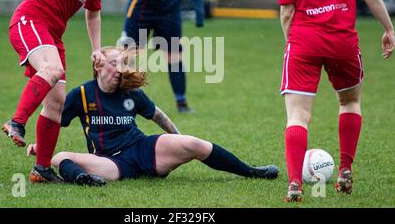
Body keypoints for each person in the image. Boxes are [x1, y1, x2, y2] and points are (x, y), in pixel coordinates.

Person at [26, 46, 279, 185]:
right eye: (114, 63)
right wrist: (42, 147)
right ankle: (82, 179)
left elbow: (158, 116)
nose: (120, 68)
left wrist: (179, 139)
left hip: (143, 149)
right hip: (109, 162)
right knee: (60, 158)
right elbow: (55, 122)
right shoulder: (82, 93)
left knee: (194, 144)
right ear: (98, 65)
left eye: (123, 63)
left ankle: (252, 172)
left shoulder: (131, 92)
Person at [277, 0, 394, 202]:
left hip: (305, 44)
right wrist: (389, 29)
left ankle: (294, 183)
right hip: (343, 43)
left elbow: (287, 12)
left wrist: (292, 43)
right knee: (350, 102)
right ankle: (345, 169)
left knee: (299, 116)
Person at [2, 0, 113, 183]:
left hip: (53, 35)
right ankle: (16, 122)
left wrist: (96, 49)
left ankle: (41, 169)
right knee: (53, 68)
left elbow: (93, 14)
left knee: (56, 103)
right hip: (29, 21)